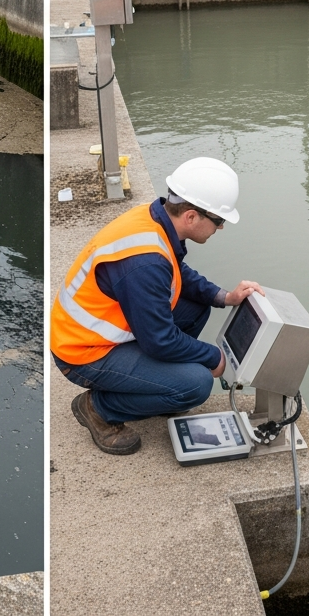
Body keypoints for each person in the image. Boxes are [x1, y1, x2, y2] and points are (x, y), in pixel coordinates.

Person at [50, 156, 264, 455]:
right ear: (191, 216)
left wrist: (223, 297)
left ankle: (159, 387)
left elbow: (176, 273)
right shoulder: (144, 263)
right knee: (197, 385)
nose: (221, 228)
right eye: (219, 221)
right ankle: (98, 408)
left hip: (105, 328)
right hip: (83, 351)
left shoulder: (153, 218)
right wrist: (214, 357)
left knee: (198, 305)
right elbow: (159, 340)